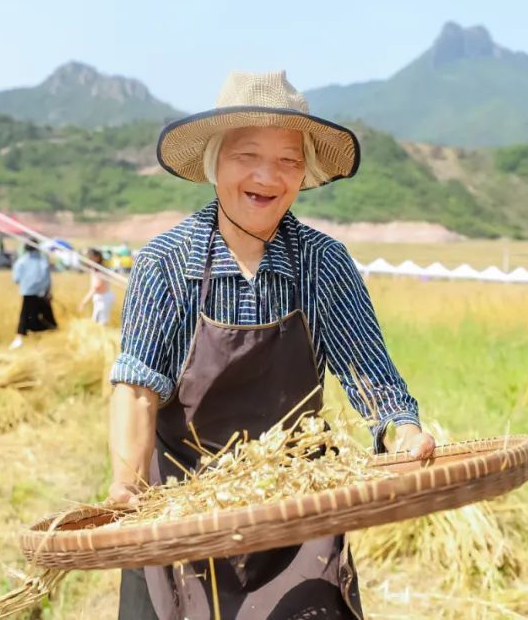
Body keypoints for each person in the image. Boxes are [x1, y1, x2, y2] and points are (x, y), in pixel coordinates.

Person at [109, 71, 435, 620]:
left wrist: (402, 431)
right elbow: (137, 388)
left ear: (303, 174)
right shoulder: (165, 263)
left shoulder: (322, 264)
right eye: (248, 156)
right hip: (187, 517)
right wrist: (127, 489)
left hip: (296, 517)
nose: (267, 176)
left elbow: (370, 375)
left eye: (287, 160)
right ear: (214, 163)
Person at [10, 243, 57, 349]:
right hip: (42, 293)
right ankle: (48, 339)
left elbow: (16, 279)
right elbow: (47, 279)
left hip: (27, 293)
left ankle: (19, 339)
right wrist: (48, 291)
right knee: (47, 317)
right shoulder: (43, 260)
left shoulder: (21, 261)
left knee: (25, 315)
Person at [78, 248, 115, 324]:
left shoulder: (100, 270)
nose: (89, 260)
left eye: (90, 257)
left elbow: (96, 287)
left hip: (103, 298)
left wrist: (84, 302)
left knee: (101, 323)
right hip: (100, 298)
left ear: (97, 257)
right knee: (96, 321)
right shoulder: (96, 269)